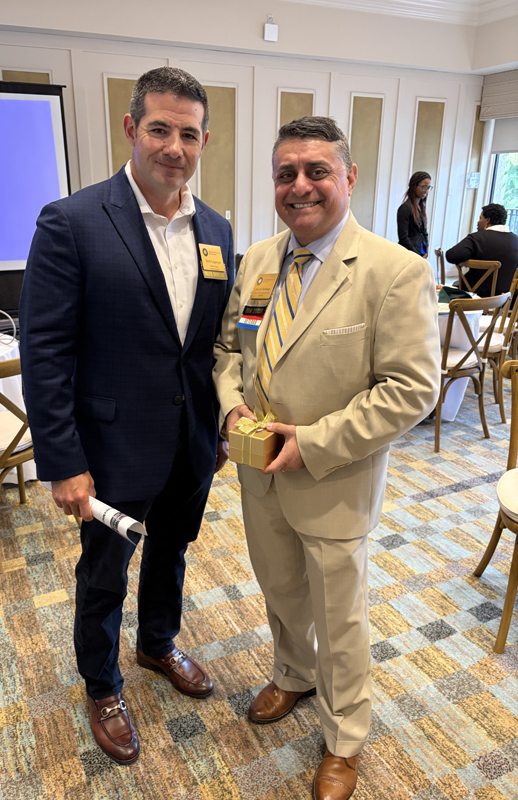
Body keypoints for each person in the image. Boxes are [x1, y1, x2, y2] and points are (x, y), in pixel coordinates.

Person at [213, 117, 440, 800]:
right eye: (286, 173)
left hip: (334, 479)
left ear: (350, 178)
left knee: (340, 619)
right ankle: (292, 674)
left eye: (317, 171)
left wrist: (310, 443)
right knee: (280, 589)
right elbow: (229, 349)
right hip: (258, 474)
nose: (300, 186)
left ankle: (344, 738)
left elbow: (411, 389)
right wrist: (231, 407)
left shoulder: (395, 271)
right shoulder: (258, 260)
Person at [19, 67, 234, 765]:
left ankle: (157, 644)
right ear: (131, 128)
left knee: (172, 551)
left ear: (204, 141)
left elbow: (209, 344)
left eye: (189, 134)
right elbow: (44, 353)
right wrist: (62, 461)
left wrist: (218, 427)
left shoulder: (217, 229)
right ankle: (102, 685)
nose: (174, 147)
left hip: (190, 442)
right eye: (160, 129)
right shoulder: (72, 221)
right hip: (110, 447)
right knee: (105, 571)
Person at [446, 203, 518, 297]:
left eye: (480, 218)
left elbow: (451, 255)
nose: (478, 222)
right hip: (508, 299)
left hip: (477, 296)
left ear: (487, 220)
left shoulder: (477, 238)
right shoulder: (516, 240)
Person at [397, 171, 431, 257]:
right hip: (409, 254)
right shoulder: (405, 208)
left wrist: (426, 251)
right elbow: (403, 238)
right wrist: (417, 256)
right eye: (424, 187)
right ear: (414, 186)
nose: (427, 190)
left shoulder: (421, 207)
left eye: (428, 187)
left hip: (421, 252)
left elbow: (424, 233)